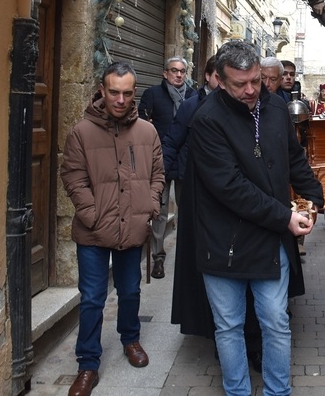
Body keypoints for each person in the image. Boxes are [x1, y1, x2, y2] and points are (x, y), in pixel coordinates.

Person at [184, 41, 324, 396]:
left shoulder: (275, 107)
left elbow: (294, 159)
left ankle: (279, 392)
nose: (250, 91)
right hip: (223, 241)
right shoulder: (206, 120)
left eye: (255, 81)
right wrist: (285, 218)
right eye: (239, 84)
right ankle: (238, 392)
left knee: (276, 322)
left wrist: (314, 198)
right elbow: (230, 187)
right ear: (219, 79)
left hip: (269, 237)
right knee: (229, 326)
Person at [61, 62, 164, 396]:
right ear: (102, 90)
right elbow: (73, 177)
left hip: (132, 226)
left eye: (127, 93)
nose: (120, 99)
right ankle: (88, 364)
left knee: (130, 290)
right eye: (114, 92)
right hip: (93, 230)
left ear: (134, 93)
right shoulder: (81, 132)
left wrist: (150, 204)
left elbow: (158, 174)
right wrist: (91, 214)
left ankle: (130, 338)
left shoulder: (147, 132)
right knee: (92, 298)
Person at [138, 56, 195, 279]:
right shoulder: (153, 94)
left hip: (186, 161)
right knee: (159, 212)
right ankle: (158, 258)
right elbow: (141, 121)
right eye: (174, 71)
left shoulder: (192, 96)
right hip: (159, 160)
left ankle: (187, 255)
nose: (178, 75)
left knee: (187, 209)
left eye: (182, 71)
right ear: (165, 73)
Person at [162, 55, 220, 208]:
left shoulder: (234, 106)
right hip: (190, 177)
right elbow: (172, 142)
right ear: (207, 76)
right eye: (218, 76)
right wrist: (160, 175)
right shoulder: (190, 105)